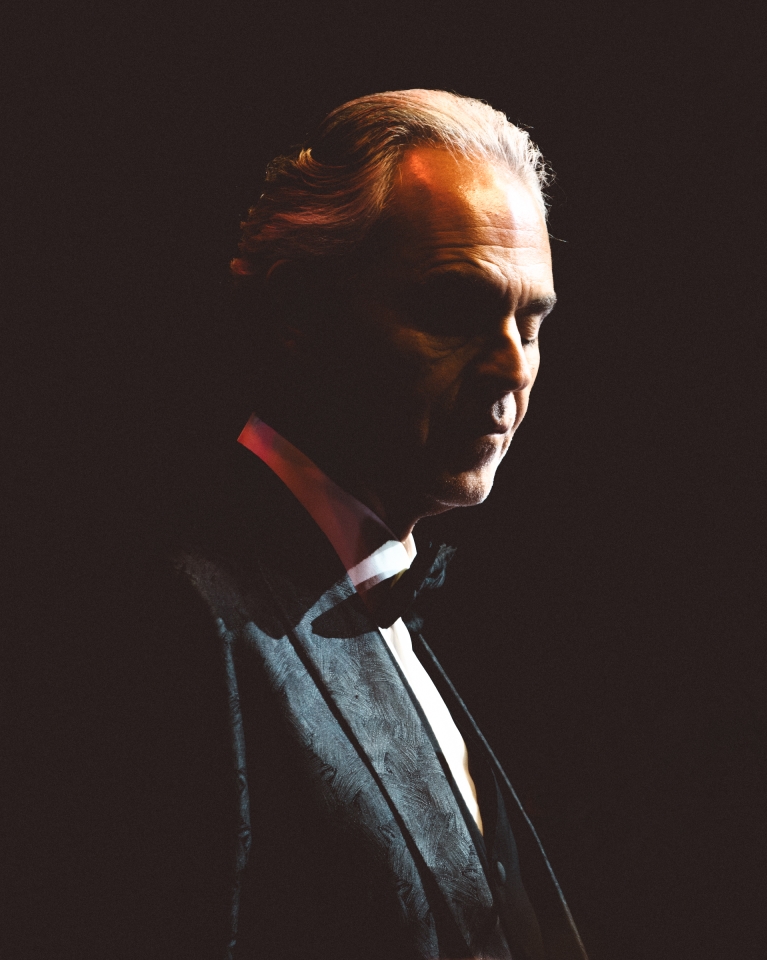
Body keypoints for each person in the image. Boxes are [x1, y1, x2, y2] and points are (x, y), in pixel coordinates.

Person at [81, 90, 587, 960]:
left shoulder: (393, 600)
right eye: (456, 308)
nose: (512, 365)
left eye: (531, 322)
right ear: (299, 312)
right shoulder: (173, 618)